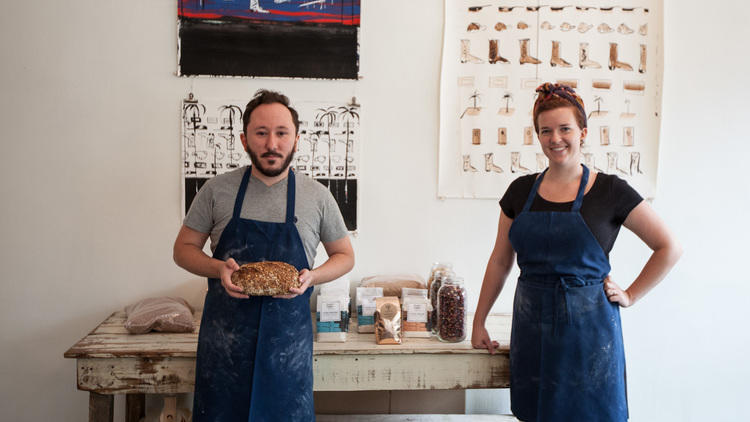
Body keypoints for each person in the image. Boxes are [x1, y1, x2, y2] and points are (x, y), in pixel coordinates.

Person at [471, 83, 682, 422]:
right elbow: (500, 260)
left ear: (582, 132)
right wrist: (479, 320)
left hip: (590, 337)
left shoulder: (611, 191)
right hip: (532, 331)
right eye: (546, 130)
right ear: (537, 136)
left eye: (565, 128)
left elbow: (669, 247)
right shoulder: (519, 191)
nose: (556, 138)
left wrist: (630, 294)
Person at [173, 89, 354, 421]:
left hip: (288, 354)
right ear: (244, 140)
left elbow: (344, 255)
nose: (272, 143)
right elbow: (182, 250)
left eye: (282, 133)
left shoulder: (318, 197)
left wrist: (312, 276)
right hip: (225, 350)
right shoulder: (216, 191)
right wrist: (218, 269)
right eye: (261, 133)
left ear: (296, 139)